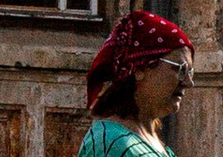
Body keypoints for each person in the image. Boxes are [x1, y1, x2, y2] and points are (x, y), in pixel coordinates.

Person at [77, 11, 193, 157]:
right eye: (181, 69)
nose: (189, 82)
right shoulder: (113, 144)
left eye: (190, 72)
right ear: (140, 69)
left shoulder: (149, 142)